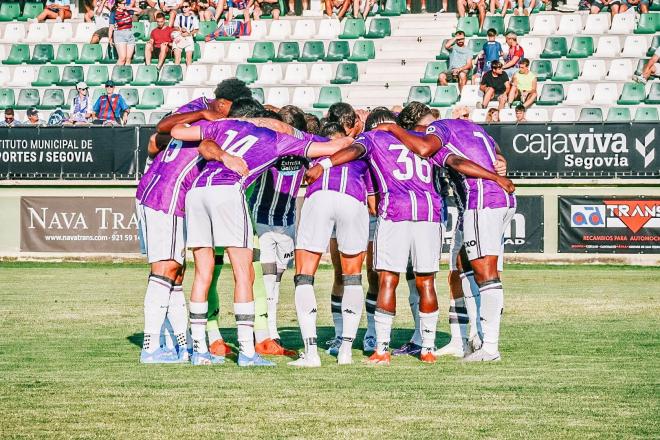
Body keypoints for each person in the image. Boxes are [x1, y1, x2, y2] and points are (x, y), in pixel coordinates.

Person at [170, 98, 352, 367]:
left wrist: (223, 153)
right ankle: (247, 352)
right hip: (228, 191)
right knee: (244, 272)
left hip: (196, 193)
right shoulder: (278, 138)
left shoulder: (226, 124)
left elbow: (180, 133)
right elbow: (336, 145)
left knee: (203, 272)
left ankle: (200, 350)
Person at [305, 108, 443, 366]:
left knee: (388, 280)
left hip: (396, 209)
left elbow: (352, 151)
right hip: (430, 211)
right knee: (427, 282)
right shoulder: (421, 139)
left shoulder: (374, 138)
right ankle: (428, 348)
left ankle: (382, 349)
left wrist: (324, 164)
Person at [379, 117, 516, 362]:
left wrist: (392, 128)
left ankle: (490, 347)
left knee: (486, 273)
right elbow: (495, 153)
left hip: (482, 199)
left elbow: (435, 152)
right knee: (464, 264)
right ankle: (470, 338)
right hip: (501, 201)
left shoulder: (437, 131)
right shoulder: (474, 128)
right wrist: (500, 166)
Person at [287, 121, 371, 368]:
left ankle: (311, 353)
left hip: (320, 196)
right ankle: (345, 351)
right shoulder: (360, 149)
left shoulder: (313, 146)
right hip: (353, 198)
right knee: (352, 277)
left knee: (304, 276)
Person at [172, 2, 199, 67]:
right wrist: (181, 30)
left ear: (190, 7)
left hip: (189, 37)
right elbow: (175, 26)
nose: (184, 8)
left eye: (186, 6)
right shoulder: (178, 16)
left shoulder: (194, 17)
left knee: (188, 59)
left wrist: (188, 33)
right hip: (179, 36)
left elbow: (196, 29)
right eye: (182, 7)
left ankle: (189, 76)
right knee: (177, 59)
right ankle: (176, 75)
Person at [109, 0, 136, 65]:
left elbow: (140, 11)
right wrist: (110, 38)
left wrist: (130, 8)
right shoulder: (114, 12)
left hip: (129, 33)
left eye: (125, 3)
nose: (124, 5)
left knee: (128, 59)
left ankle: (126, 74)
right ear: (118, 4)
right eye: (123, 4)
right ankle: (116, 74)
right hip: (119, 34)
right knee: (122, 58)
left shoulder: (128, 10)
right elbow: (111, 26)